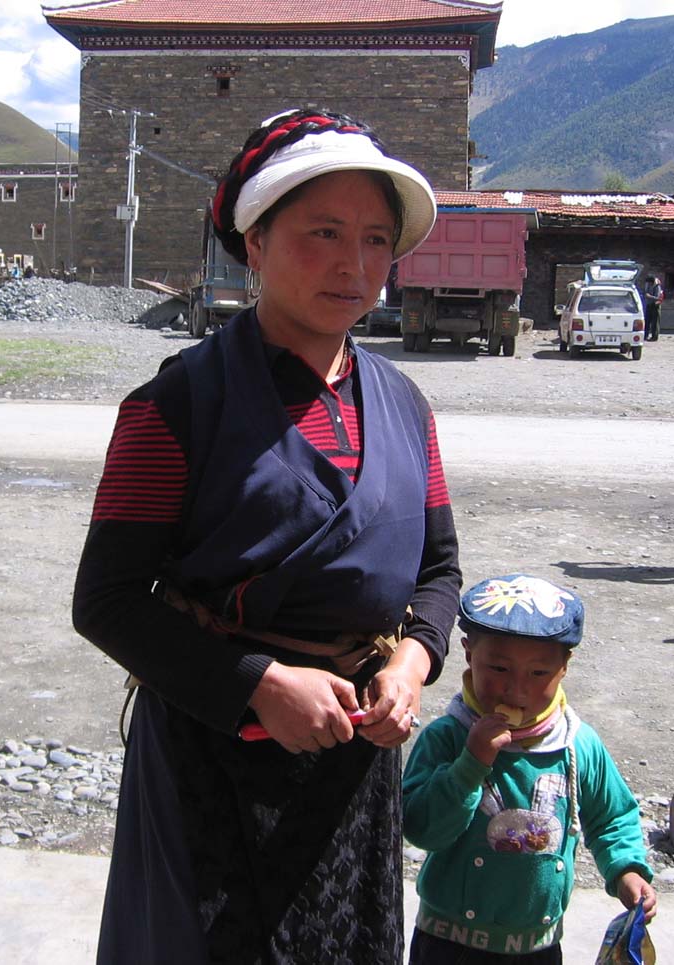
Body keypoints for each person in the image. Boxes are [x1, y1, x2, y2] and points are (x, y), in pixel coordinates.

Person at [73, 108, 461, 964]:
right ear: (255, 242)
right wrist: (260, 683)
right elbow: (106, 601)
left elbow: (438, 570)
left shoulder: (405, 407)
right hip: (212, 760)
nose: (353, 264)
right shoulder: (175, 406)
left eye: (375, 239)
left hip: (355, 766)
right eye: (323, 232)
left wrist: (411, 662)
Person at [403, 574, 656, 964]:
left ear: (564, 666)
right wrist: (470, 764)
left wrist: (626, 871)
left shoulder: (576, 744)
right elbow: (421, 829)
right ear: (469, 653)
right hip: (448, 942)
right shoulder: (448, 737)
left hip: (537, 945)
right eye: (498, 668)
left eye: (538, 673)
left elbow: (612, 818)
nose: (516, 689)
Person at [643, 274, 662, 341]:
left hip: (655, 305)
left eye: (650, 283)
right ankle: (645, 335)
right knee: (647, 321)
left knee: (655, 322)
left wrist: (649, 296)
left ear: (652, 282)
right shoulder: (647, 284)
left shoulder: (657, 286)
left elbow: (658, 298)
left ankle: (654, 337)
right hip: (649, 304)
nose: (649, 284)